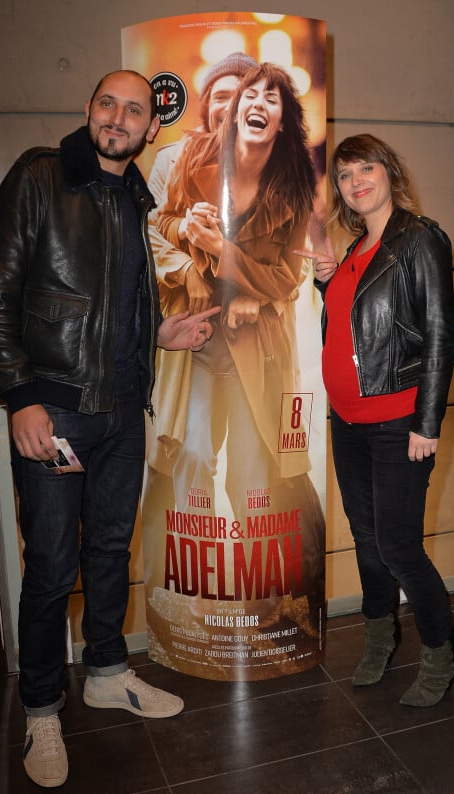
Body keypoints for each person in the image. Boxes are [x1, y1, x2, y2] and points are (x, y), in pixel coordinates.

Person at [0, 69, 219, 789]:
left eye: (133, 110)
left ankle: (107, 669)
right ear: (89, 111)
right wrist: (22, 397)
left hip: (120, 413)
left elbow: (111, 311)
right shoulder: (43, 177)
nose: (118, 117)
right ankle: (42, 704)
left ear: (149, 128)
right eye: (108, 103)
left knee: (110, 551)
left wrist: (159, 337)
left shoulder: (135, 199)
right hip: (57, 411)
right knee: (51, 566)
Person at [146, 62, 325, 634]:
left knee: (252, 469)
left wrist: (236, 272)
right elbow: (159, 223)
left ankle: (261, 593)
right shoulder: (189, 158)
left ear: (282, 120)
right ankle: (195, 588)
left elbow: (286, 276)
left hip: (257, 349)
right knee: (193, 450)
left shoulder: (293, 183)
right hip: (196, 337)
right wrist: (185, 246)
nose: (248, 104)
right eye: (243, 95)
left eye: (270, 98)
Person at [311, 133, 454, 707]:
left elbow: (440, 335)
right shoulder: (355, 252)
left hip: (400, 423)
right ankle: (380, 639)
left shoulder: (418, 240)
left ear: (389, 172)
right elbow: (357, 330)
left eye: (365, 168)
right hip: (348, 422)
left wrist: (428, 421)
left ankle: (441, 652)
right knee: (368, 541)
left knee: (399, 547)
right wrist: (328, 282)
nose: (356, 182)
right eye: (346, 176)